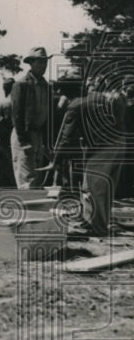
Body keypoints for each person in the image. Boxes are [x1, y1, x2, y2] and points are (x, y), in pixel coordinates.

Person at [46, 81, 131, 235]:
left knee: (92, 188)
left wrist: (54, 162)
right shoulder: (99, 97)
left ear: (66, 94)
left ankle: (96, 228)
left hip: (103, 146)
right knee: (106, 186)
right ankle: (98, 222)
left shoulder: (76, 105)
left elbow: (65, 137)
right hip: (119, 141)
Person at [10, 46, 51, 189]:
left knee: (37, 177)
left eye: (45, 62)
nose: (43, 66)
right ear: (31, 63)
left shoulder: (46, 86)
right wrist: (24, 140)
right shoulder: (21, 84)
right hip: (25, 135)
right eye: (40, 62)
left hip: (38, 135)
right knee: (26, 178)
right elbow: (17, 115)